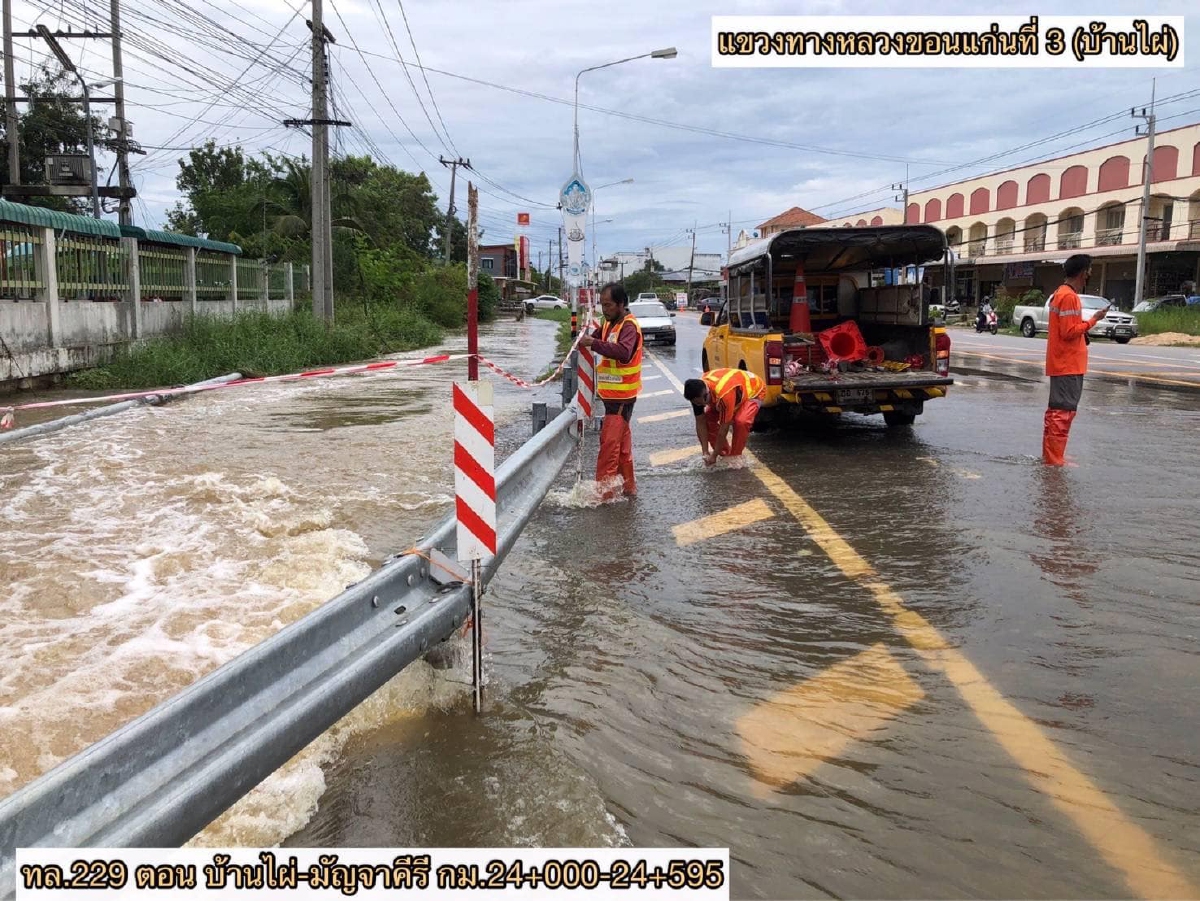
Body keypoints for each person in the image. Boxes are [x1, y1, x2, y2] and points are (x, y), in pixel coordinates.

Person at [1042, 254, 1109, 466]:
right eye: (1089, 270)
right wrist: (1093, 320)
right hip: (1067, 364)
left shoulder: (1059, 294)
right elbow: (1069, 332)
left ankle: (1053, 455)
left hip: (1062, 362)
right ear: (1083, 273)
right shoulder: (1069, 297)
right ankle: (1054, 459)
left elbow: (1065, 327)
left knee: (1058, 411)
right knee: (1063, 412)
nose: (1089, 275)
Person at [579, 284, 643, 499]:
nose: (604, 309)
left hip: (622, 396)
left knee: (609, 445)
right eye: (602, 305)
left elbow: (624, 353)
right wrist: (586, 339)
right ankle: (628, 488)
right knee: (621, 448)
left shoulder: (629, 327)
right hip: (612, 396)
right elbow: (595, 338)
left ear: (621, 304)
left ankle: (604, 493)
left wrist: (593, 343)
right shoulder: (609, 324)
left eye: (608, 305)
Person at [683, 368, 766, 466]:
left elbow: (724, 429)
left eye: (699, 402)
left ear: (705, 395)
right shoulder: (696, 392)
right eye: (695, 403)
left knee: (741, 421)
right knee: (709, 419)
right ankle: (724, 453)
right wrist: (705, 452)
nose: (698, 405)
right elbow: (700, 422)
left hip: (754, 390)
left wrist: (713, 456)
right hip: (732, 392)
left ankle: (735, 456)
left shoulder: (724, 395)